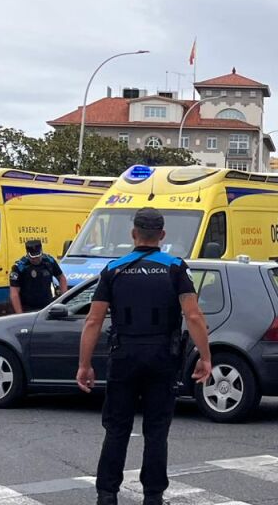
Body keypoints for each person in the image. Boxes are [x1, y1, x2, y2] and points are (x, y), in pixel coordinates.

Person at [77, 208, 212, 505]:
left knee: (116, 428)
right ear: (162, 235)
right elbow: (193, 315)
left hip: (124, 356)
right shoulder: (176, 268)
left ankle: (107, 494)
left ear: (133, 234)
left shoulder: (114, 269)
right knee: (156, 431)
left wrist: (84, 365)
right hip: (162, 357)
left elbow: (93, 320)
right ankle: (153, 496)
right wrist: (205, 357)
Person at [10, 239, 70, 313]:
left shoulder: (49, 261)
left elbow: (61, 278)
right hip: (28, 308)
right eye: (33, 257)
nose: (36, 259)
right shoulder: (19, 267)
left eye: (38, 256)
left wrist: (64, 300)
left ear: (41, 251)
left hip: (47, 307)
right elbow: (14, 292)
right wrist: (20, 314)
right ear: (27, 253)